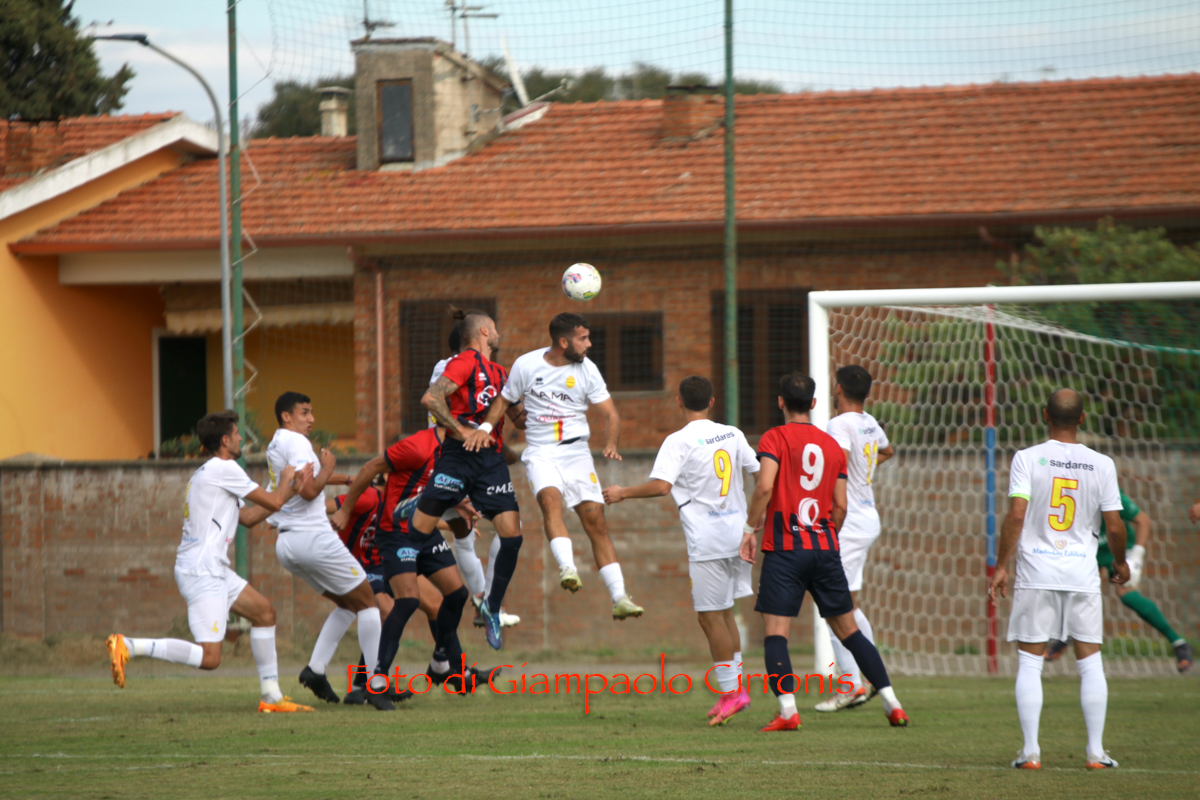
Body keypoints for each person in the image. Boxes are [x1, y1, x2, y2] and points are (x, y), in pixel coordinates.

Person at [106, 410, 314, 713]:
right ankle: (129, 646)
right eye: (237, 434)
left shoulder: (211, 472)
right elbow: (274, 501)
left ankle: (271, 697)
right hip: (202, 571)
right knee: (210, 658)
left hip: (210, 568)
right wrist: (285, 479)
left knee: (264, 613)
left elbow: (248, 518)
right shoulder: (224, 468)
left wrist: (290, 490)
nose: (242, 438)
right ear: (225, 440)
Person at [741, 372, 908, 731]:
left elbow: (764, 487)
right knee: (849, 630)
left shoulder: (774, 437)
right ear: (814, 403)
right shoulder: (832, 445)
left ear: (780, 401)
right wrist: (827, 538)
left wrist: (748, 528)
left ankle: (788, 711)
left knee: (776, 632)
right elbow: (841, 506)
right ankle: (892, 703)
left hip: (786, 548)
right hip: (824, 547)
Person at [604, 376, 757, 725]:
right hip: (738, 533)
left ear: (678, 401)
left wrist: (622, 492)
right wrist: (756, 516)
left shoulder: (678, 440)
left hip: (708, 539)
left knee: (709, 617)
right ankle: (736, 690)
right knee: (725, 612)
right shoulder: (733, 434)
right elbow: (760, 472)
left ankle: (732, 693)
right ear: (712, 402)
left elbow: (661, 486)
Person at [989, 388, 1127, 770]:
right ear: (1082, 419)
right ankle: (1096, 753)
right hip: (1081, 572)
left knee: (1030, 662)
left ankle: (1031, 753)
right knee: (1090, 662)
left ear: (1044, 415)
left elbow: (1017, 515)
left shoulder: (1027, 458)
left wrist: (1001, 565)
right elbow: (1115, 525)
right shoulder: (1102, 463)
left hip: (1037, 571)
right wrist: (1120, 562)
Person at [483, 312, 641, 620]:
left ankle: (620, 598)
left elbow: (611, 414)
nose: (589, 344)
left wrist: (612, 443)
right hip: (541, 452)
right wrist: (484, 429)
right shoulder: (527, 365)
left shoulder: (588, 369)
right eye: (583, 338)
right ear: (564, 342)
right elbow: (503, 400)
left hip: (577, 453)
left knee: (597, 523)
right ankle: (568, 569)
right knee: (550, 501)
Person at [332, 424, 499, 701]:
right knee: (405, 602)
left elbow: (435, 490)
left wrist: (458, 505)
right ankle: (375, 681)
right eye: (475, 424)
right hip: (394, 536)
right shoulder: (417, 447)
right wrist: (344, 509)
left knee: (455, 595)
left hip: (423, 530)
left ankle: (442, 665)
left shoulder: (455, 454)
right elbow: (370, 467)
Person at [265, 391, 390, 710]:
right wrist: (328, 467)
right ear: (286, 416)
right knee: (370, 603)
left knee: (348, 604)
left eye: (311, 412)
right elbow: (308, 490)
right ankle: (375, 684)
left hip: (287, 545)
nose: (311, 419)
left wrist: (344, 477)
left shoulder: (276, 444)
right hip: (313, 537)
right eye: (304, 412)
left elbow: (290, 485)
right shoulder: (297, 442)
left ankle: (316, 670)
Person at [415, 309, 526, 650]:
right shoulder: (463, 362)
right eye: (495, 327)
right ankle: (409, 511)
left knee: (512, 535)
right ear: (484, 331)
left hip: (490, 462)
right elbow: (431, 398)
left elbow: (519, 419)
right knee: (419, 532)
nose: (499, 332)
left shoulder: (501, 372)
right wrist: (461, 430)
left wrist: (552, 403)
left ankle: (490, 606)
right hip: (456, 458)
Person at [816, 365, 895, 712]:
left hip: (847, 521)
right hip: (866, 516)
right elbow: (886, 451)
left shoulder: (839, 424)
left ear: (838, 388)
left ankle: (851, 685)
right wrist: (866, 472)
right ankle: (872, 676)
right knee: (847, 601)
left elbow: (839, 463)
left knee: (834, 605)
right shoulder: (869, 422)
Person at [1044, 490, 1193, 672]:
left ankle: (1179, 643)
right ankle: (1067, 636)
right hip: (1088, 548)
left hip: (1118, 546)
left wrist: (1137, 556)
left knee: (1126, 593)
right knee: (1077, 591)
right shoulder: (1068, 492)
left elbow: (1143, 521)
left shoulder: (1108, 492)